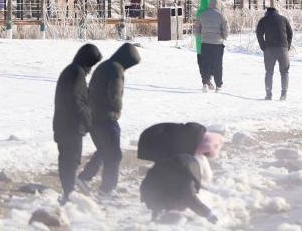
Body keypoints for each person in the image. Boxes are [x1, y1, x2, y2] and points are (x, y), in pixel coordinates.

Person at [80, 43, 141, 195]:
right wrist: (117, 109)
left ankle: (84, 178)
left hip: (94, 115)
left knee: (104, 150)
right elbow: (114, 95)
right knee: (114, 154)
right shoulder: (116, 69)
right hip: (106, 117)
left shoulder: (106, 65)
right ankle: (107, 189)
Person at [52, 43, 103, 204]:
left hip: (66, 124)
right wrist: (87, 119)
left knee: (69, 160)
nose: (91, 68)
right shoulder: (76, 73)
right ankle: (68, 194)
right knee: (70, 160)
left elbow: (79, 97)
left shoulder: (73, 70)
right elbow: (75, 100)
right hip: (70, 126)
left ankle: (68, 193)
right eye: (92, 64)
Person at [140, 154, 217, 223]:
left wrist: (154, 213)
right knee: (182, 205)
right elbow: (190, 199)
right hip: (158, 198)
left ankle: (156, 221)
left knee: (167, 194)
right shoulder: (186, 178)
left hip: (148, 195)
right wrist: (208, 214)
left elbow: (153, 185)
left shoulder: (168, 166)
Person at [256, 3, 293, 100]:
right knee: (284, 72)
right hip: (283, 49)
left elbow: (258, 33)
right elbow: (290, 33)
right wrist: (287, 45)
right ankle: (283, 94)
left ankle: (269, 94)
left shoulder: (263, 20)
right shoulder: (283, 19)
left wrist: (263, 46)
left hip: (269, 50)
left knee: (269, 72)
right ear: (276, 12)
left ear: (266, 13)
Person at [194, 0, 228, 92]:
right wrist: (224, 37)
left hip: (205, 43)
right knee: (218, 64)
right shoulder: (221, 15)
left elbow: (197, 29)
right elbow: (226, 27)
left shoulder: (202, 14)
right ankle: (218, 86)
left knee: (205, 64)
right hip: (217, 44)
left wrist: (201, 36)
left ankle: (205, 84)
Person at [193, 0, 214, 86]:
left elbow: (196, 29)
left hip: (199, 43)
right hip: (209, 42)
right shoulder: (212, 13)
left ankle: (204, 80)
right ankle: (209, 78)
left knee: (201, 62)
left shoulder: (199, 12)